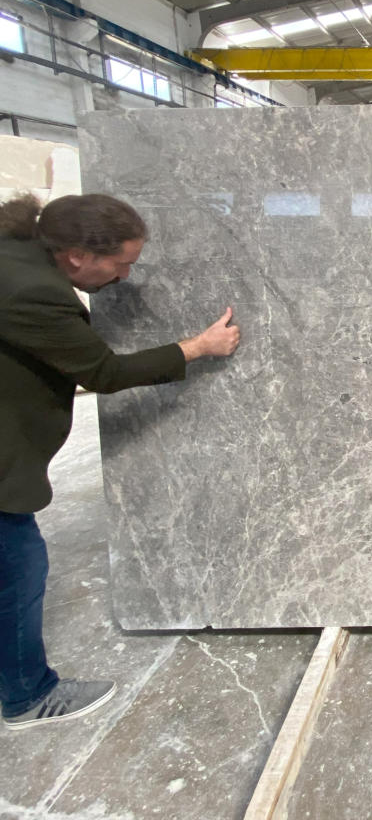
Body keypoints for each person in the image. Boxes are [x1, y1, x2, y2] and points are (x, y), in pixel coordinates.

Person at [0, 192, 240, 730]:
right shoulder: (34, 291)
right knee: (18, 569)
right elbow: (103, 373)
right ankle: (28, 697)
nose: (126, 276)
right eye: (121, 263)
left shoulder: (16, 255)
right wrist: (197, 347)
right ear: (78, 255)